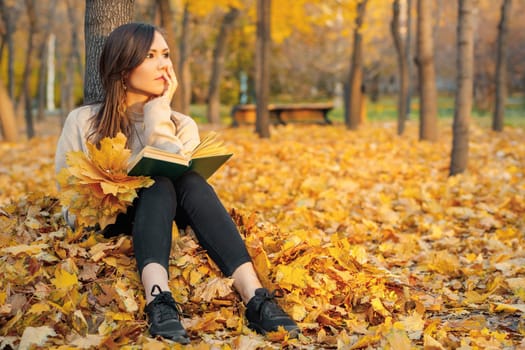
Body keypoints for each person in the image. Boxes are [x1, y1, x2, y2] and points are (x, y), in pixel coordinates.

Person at [54, 22, 299, 344]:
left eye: (166, 55)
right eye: (150, 56)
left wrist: (159, 112)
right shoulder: (84, 121)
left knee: (187, 179)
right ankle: (159, 298)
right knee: (156, 182)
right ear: (123, 68)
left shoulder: (181, 123)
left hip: (169, 214)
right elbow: (71, 201)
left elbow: (173, 161)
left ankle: (255, 295)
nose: (163, 65)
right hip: (110, 222)